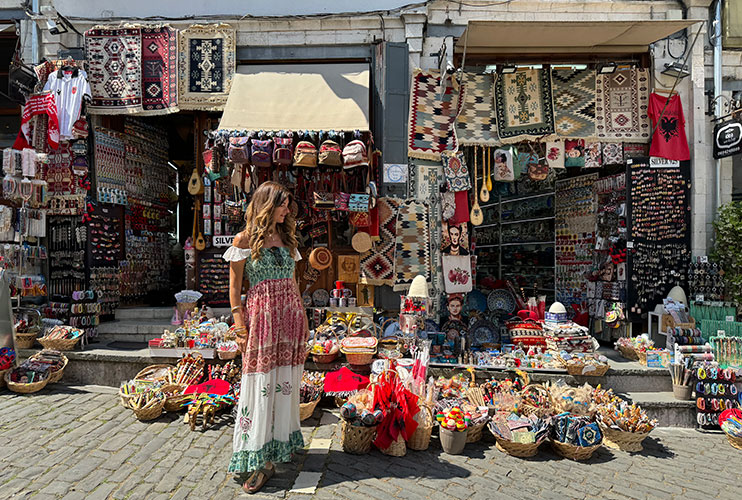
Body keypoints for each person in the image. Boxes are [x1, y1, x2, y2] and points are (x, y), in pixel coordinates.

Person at [223, 181, 308, 494]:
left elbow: (294, 285)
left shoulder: (286, 239)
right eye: (283, 205)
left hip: (288, 320)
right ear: (267, 206)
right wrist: (239, 327)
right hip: (260, 321)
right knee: (258, 387)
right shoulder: (244, 240)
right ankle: (259, 459)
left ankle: (277, 448)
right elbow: (234, 290)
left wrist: (303, 319)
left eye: (287, 206)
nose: (287, 211)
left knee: (283, 385)